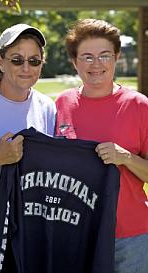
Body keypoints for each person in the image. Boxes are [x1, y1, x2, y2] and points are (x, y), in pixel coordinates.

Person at [55, 18, 148, 273]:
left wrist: (126, 157)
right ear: (75, 62)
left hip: (130, 237)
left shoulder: (139, 105)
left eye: (104, 55)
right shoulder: (61, 104)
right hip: (76, 231)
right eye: (86, 57)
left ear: (116, 57)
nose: (96, 64)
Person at [0, 23, 56, 273]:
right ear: (0, 60)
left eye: (34, 60)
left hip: (29, 232)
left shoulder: (47, 107)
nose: (26, 68)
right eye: (17, 60)